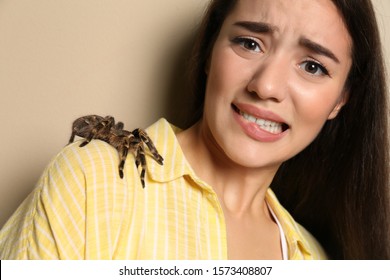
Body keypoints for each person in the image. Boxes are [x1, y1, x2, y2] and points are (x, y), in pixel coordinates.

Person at [0, 0, 388, 260]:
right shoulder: (91, 181)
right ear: (208, 52)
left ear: (341, 100)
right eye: (249, 43)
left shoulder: (312, 257)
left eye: (313, 66)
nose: (266, 86)